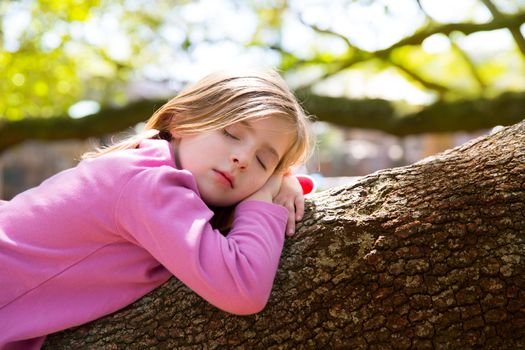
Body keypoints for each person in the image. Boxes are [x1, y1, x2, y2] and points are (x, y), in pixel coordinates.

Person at [0, 69, 314, 349]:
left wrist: (281, 181)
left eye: (263, 161)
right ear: (182, 120)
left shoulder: (155, 175)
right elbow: (243, 286)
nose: (243, 159)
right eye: (231, 133)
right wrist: (267, 191)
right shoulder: (149, 185)